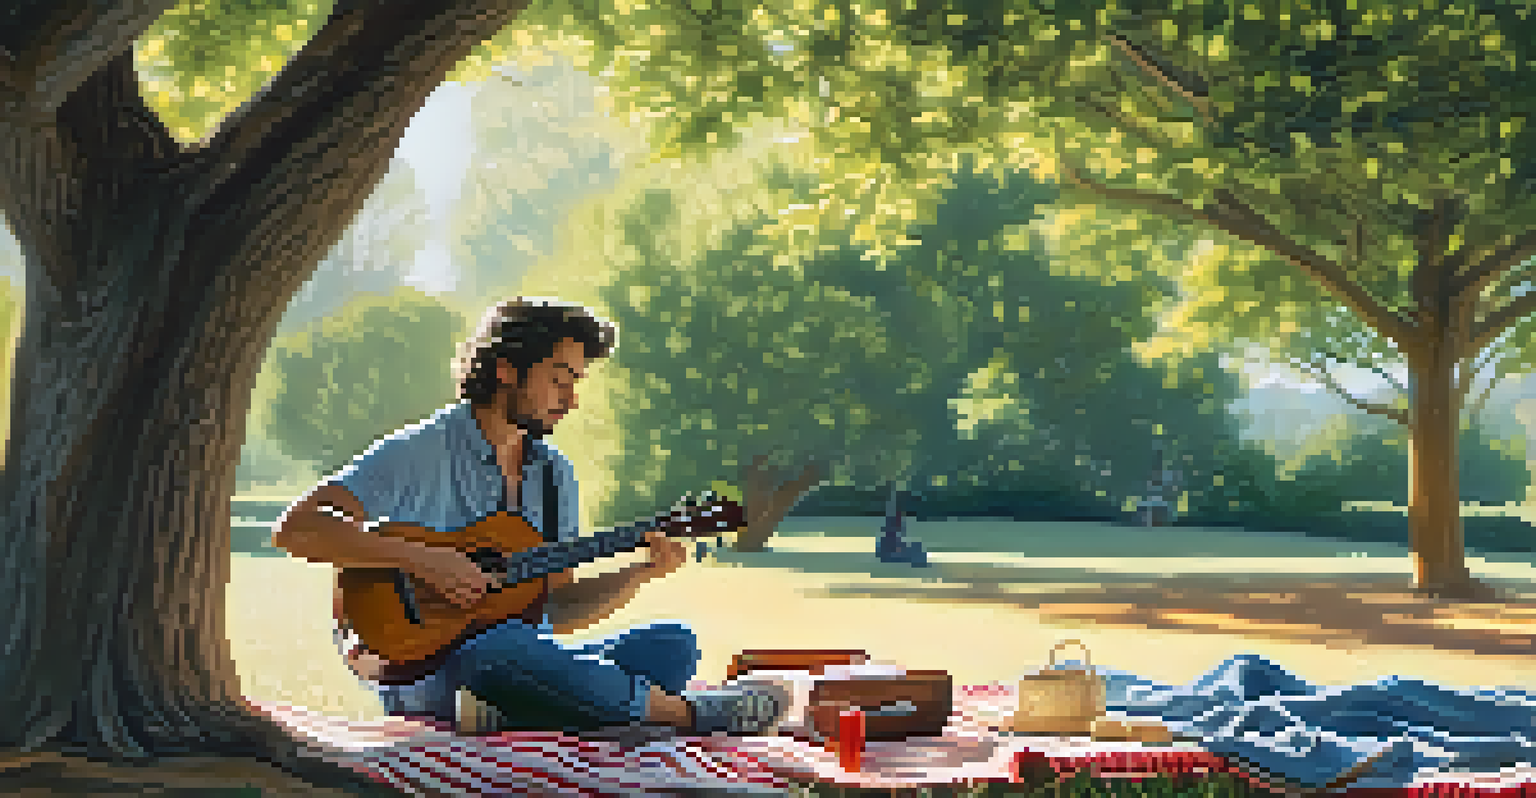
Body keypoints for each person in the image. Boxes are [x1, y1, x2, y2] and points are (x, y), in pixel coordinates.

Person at [273, 297, 789, 736]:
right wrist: (425, 561)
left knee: (673, 644)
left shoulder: (553, 474)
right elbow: (298, 528)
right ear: (505, 369)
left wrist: (639, 573)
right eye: (559, 379)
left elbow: (556, 606)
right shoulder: (421, 450)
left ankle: (520, 711)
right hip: (432, 668)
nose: (572, 399)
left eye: (577, 382)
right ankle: (692, 713)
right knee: (492, 652)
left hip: (520, 657)